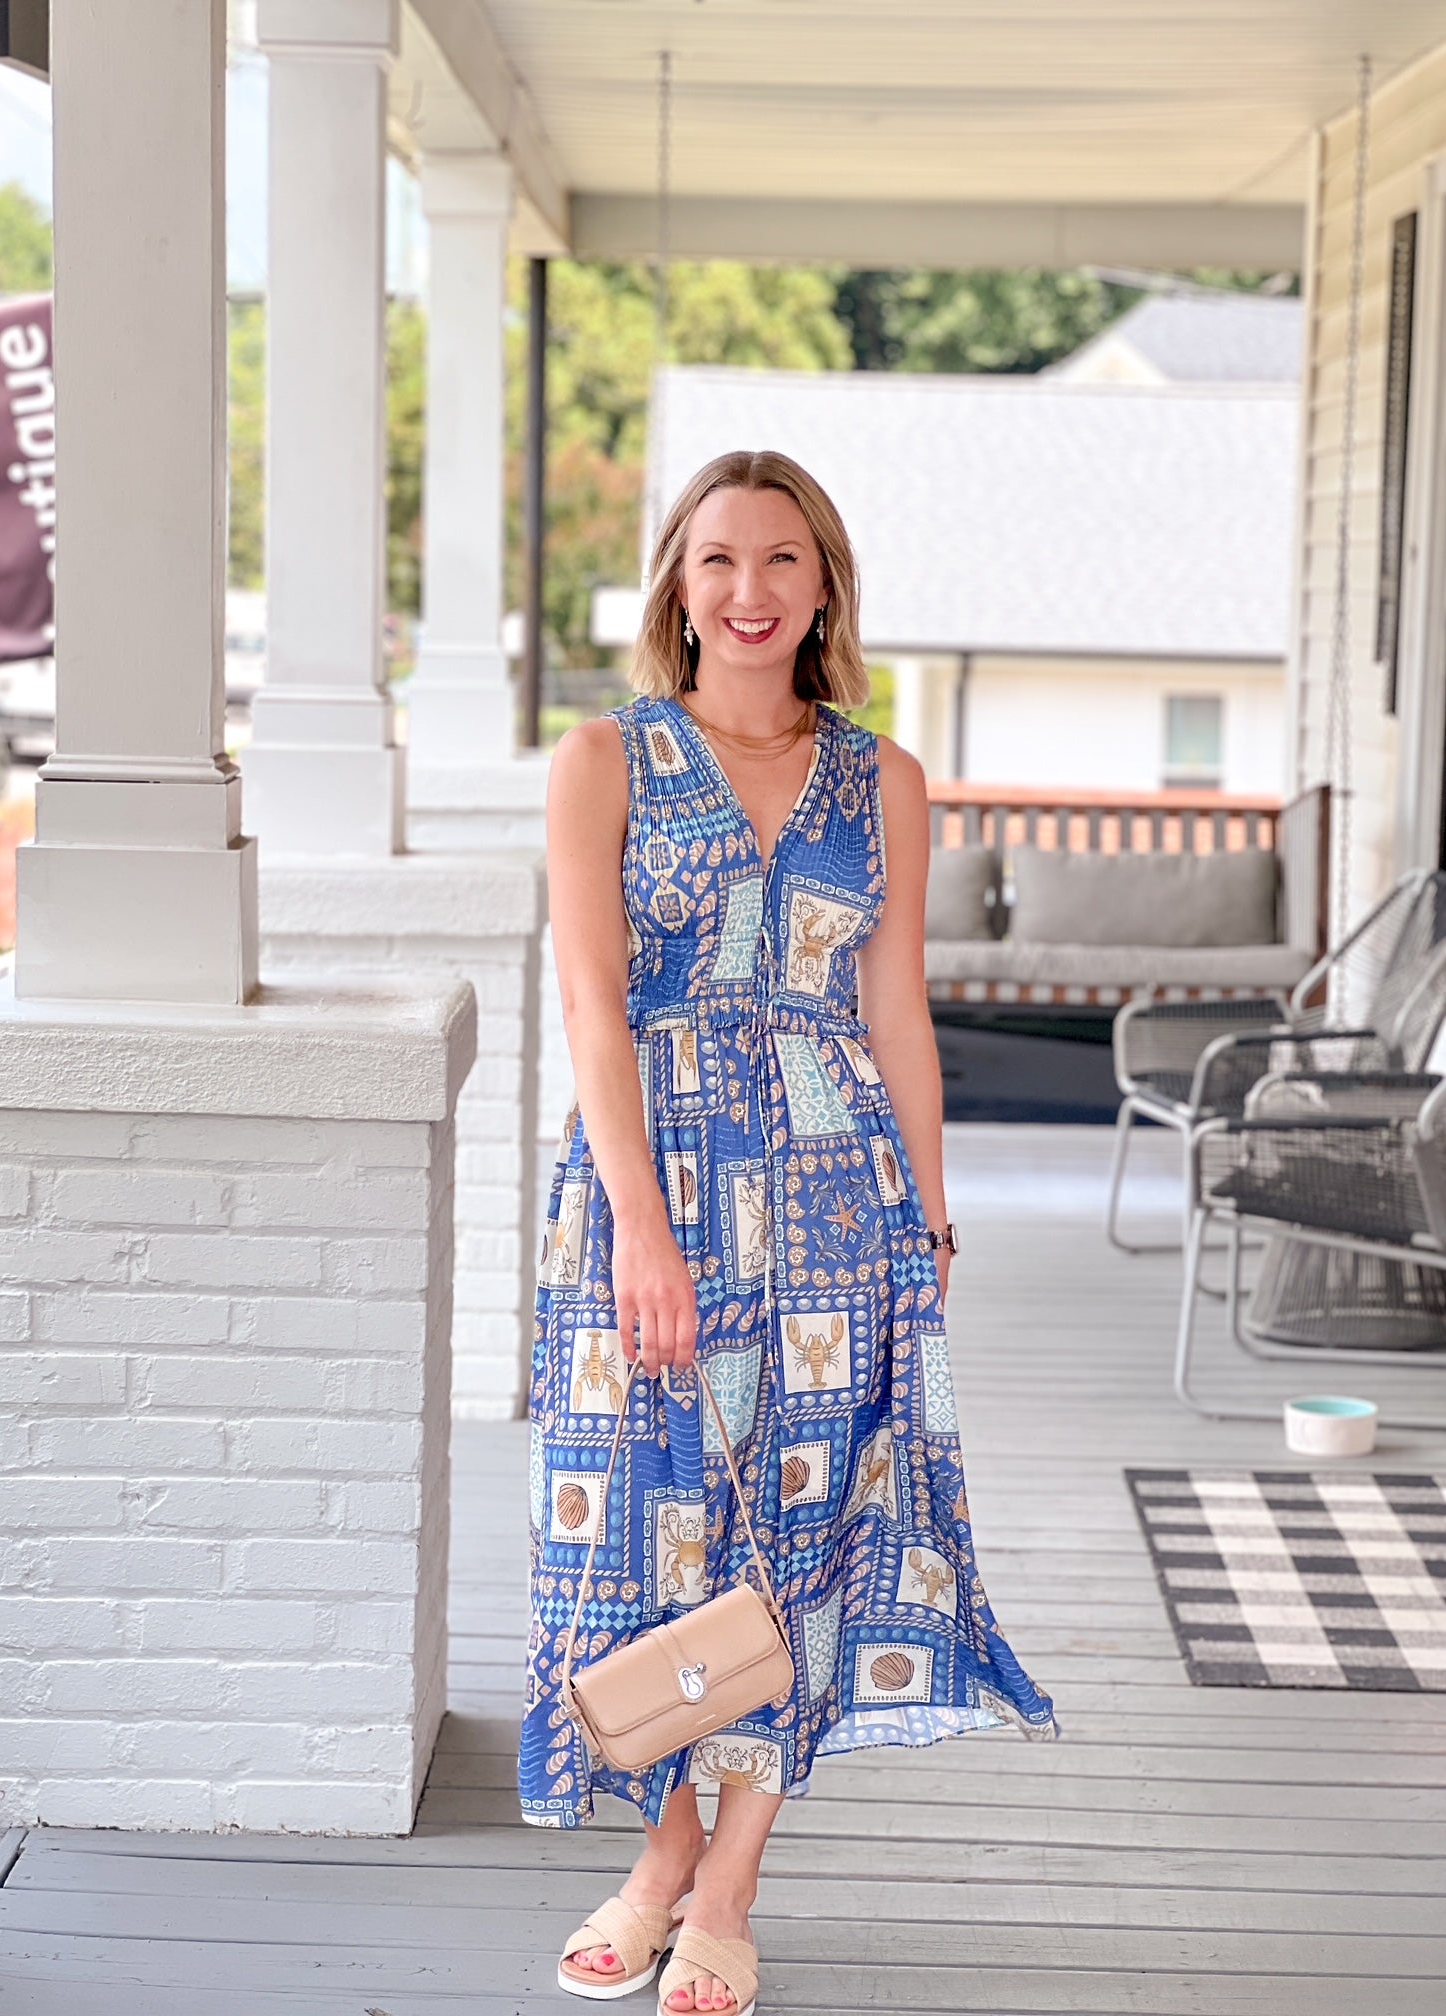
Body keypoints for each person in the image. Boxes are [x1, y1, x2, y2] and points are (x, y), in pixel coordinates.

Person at [520, 449, 1059, 2014]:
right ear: (676, 589)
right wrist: (638, 1227)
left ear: (823, 586)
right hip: (655, 1184)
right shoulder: (604, 757)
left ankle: (730, 1887)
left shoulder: (881, 776)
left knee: (805, 1532)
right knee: (636, 1528)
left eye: (781, 561)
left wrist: (932, 1223)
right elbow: (592, 1008)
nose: (747, 592)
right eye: (716, 562)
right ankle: (657, 1856)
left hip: (839, 1199)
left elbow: (897, 1011)